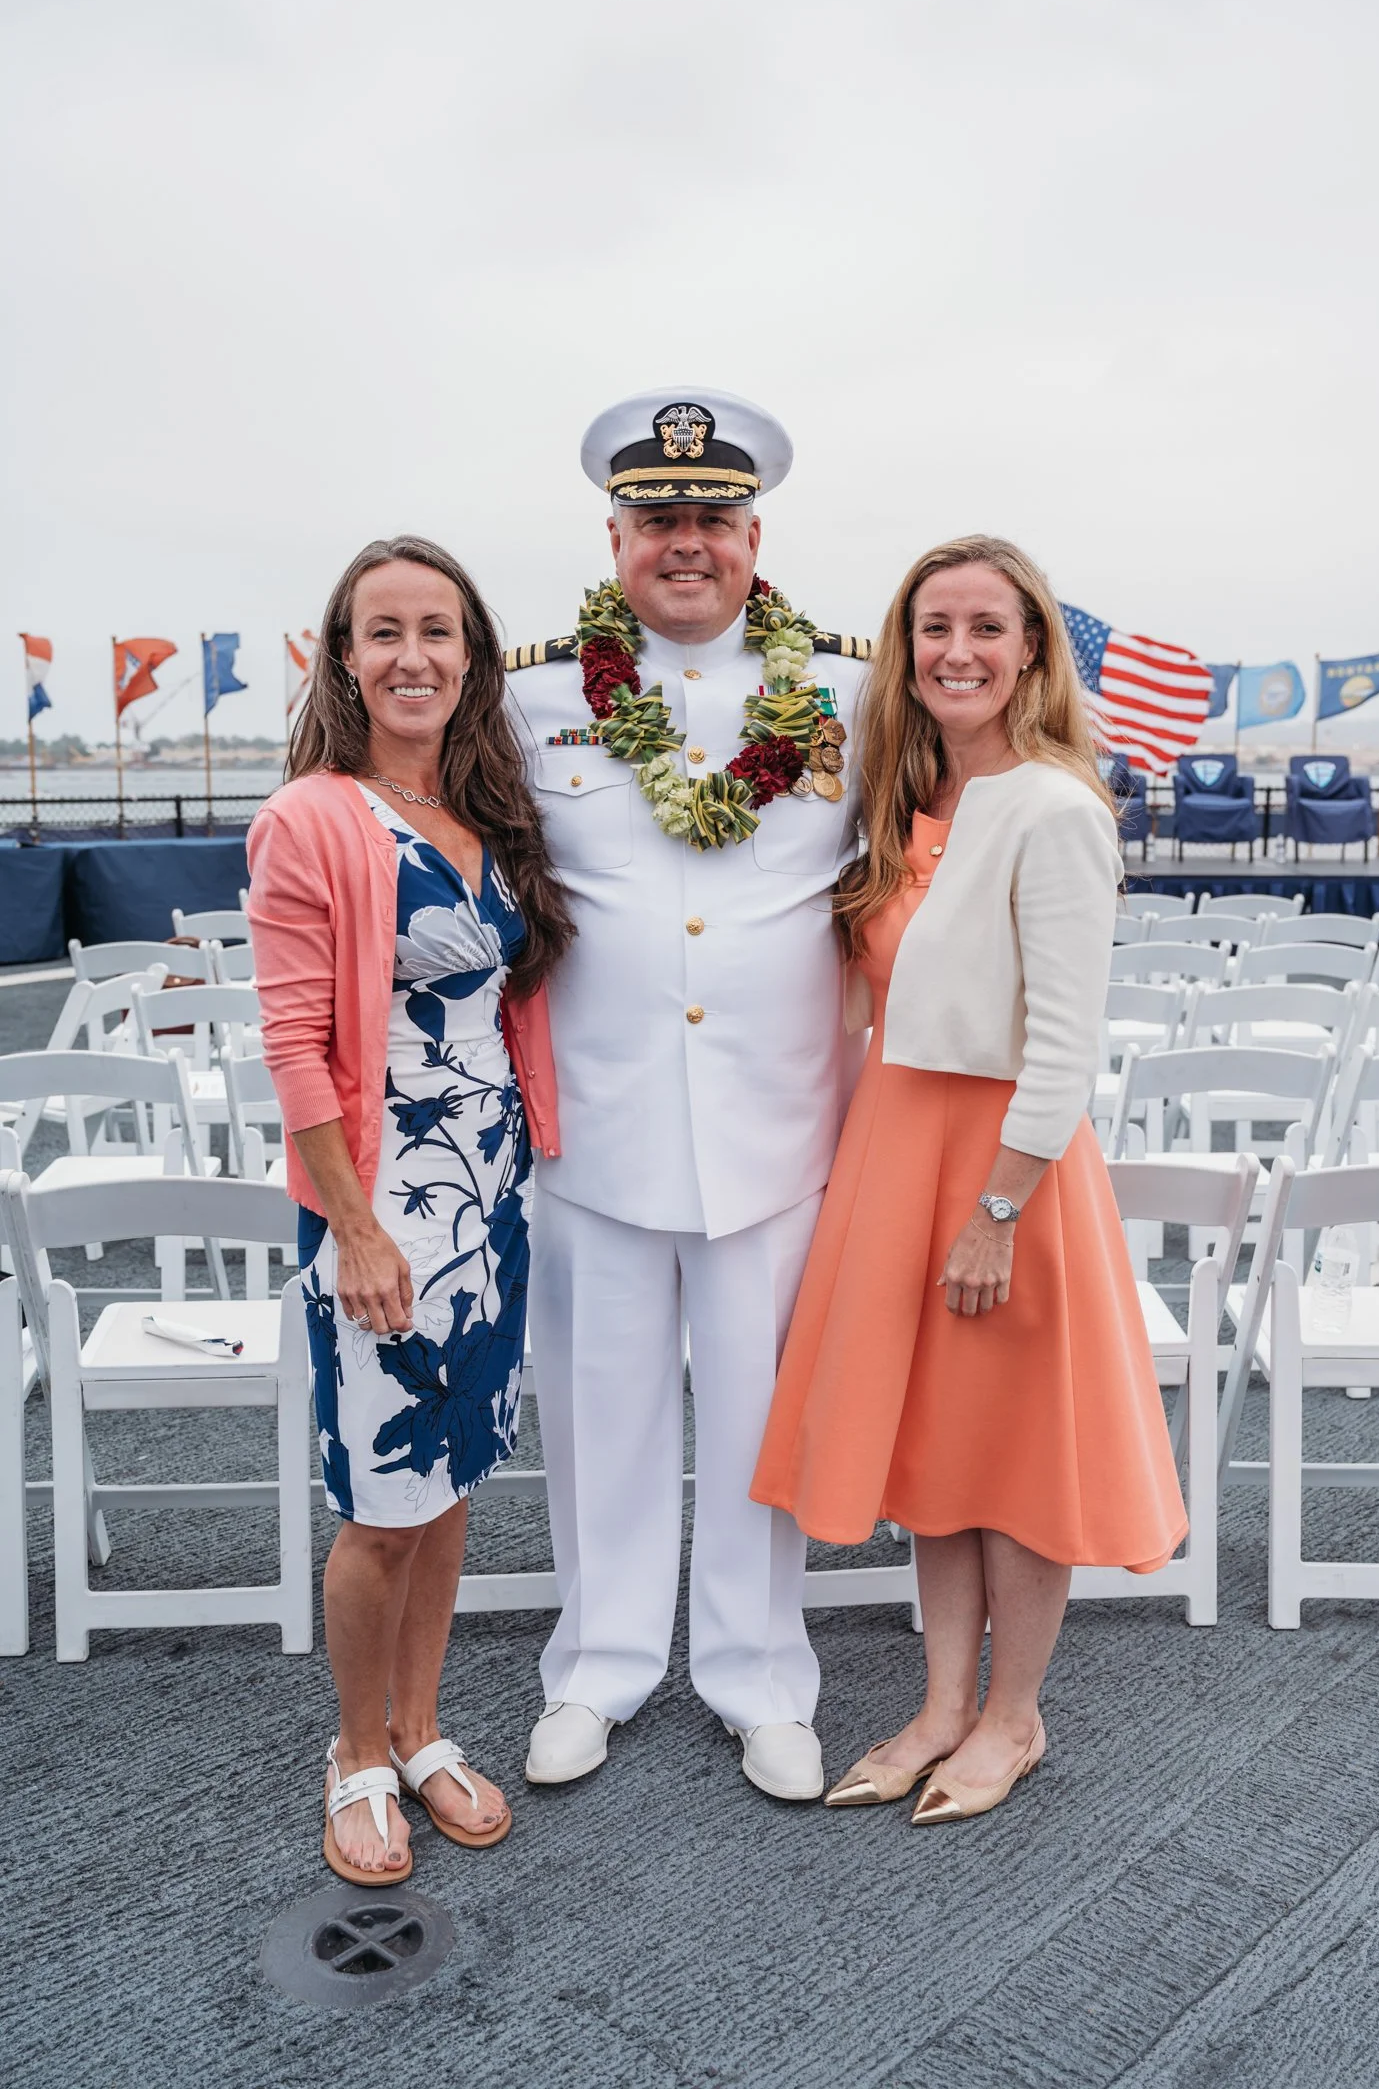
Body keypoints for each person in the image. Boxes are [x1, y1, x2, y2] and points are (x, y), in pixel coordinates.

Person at [751, 534, 1188, 1824]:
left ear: (1034, 649)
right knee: (935, 1448)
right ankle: (943, 1703)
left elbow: (1066, 1040)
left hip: (1008, 1172)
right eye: (934, 627)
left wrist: (999, 1207)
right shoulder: (905, 805)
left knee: (1014, 1457)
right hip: (901, 1152)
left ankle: (1015, 1717)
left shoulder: (1055, 809)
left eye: (988, 628)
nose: (958, 651)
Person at [504, 389, 872, 1800]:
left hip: (776, 1127)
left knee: (758, 1419)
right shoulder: (534, 698)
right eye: (659, 520)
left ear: (754, 533)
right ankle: (596, 1669)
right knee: (600, 1415)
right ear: (615, 535)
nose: (687, 544)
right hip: (595, 1128)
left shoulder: (845, 692)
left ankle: (760, 1674)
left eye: (712, 519)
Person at [247, 534, 572, 1883]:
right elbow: (294, 1046)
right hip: (379, 1203)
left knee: (449, 1485)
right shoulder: (313, 817)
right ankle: (355, 1753)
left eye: (436, 630)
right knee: (381, 1501)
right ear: (343, 660)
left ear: (471, 656)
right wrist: (359, 1230)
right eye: (383, 632)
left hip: (490, 1196)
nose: (413, 656)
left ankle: (424, 1727)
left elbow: (507, 1009)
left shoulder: (491, 820)